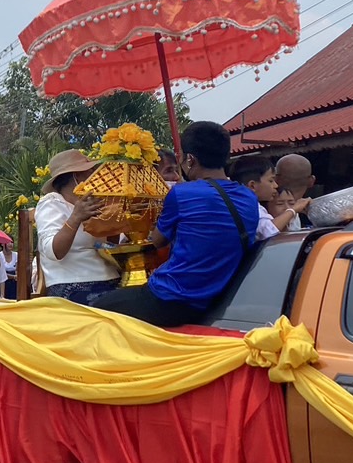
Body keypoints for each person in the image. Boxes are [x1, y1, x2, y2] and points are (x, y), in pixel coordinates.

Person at [92, 121, 260, 328]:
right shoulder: (249, 197)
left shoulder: (182, 194)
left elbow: (157, 240)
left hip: (172, 297)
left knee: (96, 309)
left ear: (190, 159)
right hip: (218, 296)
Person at [34, 149, 118, 305]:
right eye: (90, 171)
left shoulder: (93, 203)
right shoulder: (52, 202)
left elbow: (110, 245)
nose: (95, 174)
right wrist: (76, 217)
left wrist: (114, 219)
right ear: (77, 176)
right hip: (72, 285)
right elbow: (53, 251)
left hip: (111, 279)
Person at [231, 155, 283, 240]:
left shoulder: (236, 201)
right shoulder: (251, 206)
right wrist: (293, 210)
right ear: (252, 185)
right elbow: (268, 231)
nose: (276, 185)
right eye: (271, 180)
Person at [274, 154, 316, 230]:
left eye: (291, 203)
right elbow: (269, 230)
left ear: (276, 179)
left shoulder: (300, 207)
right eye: (280, 203)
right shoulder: (269, 206)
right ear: (311, 181)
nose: (287, 207)